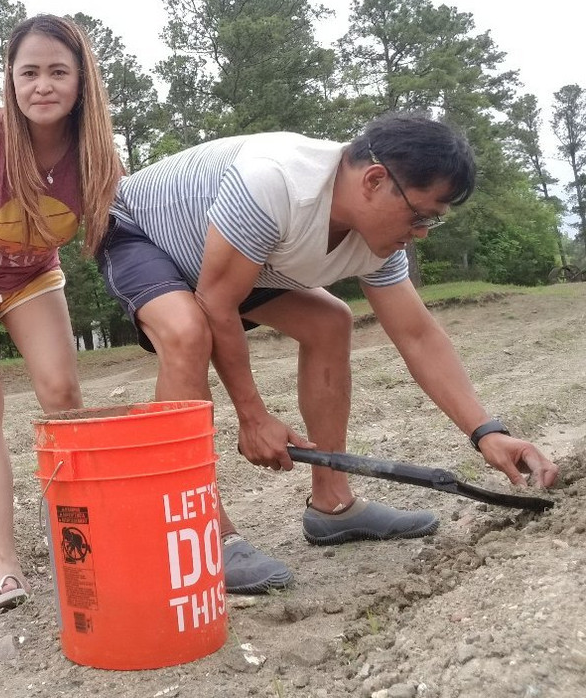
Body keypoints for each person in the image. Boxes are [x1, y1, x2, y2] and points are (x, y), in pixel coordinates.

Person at [96, 111, 560, 594]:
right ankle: (197, 531)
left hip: (224, 255)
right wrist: (253, 417)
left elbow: (417, 335)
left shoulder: (377, 239)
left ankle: (332, 504)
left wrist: (487, 433)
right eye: (420, 215)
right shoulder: (275, 184)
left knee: (330, 320)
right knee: (187, 332)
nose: (422, 231)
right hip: (139, 229)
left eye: (432, 221)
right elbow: (217, 301)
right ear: (375, 180)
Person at [0, 14, 123, 613]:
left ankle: (77, 538)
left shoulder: (95, 150)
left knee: (63, 392)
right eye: (28, 72)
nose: (43, 85)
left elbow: (119, 234)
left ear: (82, 81)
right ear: (10, 79)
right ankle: (6, 569)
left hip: (33, 276)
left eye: (58, 71)